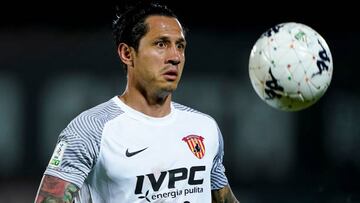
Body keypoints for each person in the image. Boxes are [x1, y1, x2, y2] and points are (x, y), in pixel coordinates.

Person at [34, 1, 239, 202]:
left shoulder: (205, 127)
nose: (175, 57)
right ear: (127, 53)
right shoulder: (91, 129)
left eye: (180, 46)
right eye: (161, 44)